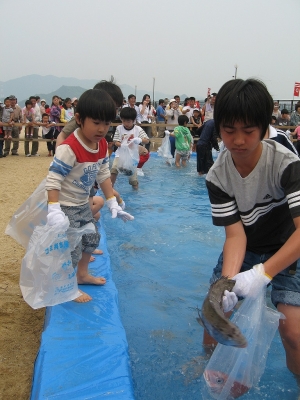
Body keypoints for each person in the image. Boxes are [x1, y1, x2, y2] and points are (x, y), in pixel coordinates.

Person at [204, 78, 300, 380]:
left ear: (263, 127)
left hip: (289, 247)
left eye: (248, 130)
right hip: (246, 246)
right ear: (219, 127)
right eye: (229, 130)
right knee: (214, 316)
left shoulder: (285, 163)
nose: (239, 141)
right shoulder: (217, 176)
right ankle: (207, 367)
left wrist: (263, 274)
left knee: (294, 333)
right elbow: (235, 234)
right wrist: (230, 281)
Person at [45, 89, 134, 303]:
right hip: (66, 206)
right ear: (79, 119)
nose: (102, 129)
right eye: (96, 123)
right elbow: (53, 179)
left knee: (92, 237)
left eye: (107, 123)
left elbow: (103, 173)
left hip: (82, 202)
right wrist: (54, 208)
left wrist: (112, 202)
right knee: (72, 249)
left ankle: (82, 275)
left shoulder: (101, 143)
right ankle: (67, 288)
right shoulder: (70, 148)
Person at [111, 107, 150, 189]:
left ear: (133, 120)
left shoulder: (137, 129)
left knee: (133, 177)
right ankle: (110, 188)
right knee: (114, 170)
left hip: (132, 157)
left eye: (128, 121)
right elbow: (115, 141)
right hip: (120, 154)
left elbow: (147, 140)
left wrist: (139, 139)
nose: (125, 123)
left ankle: (136, 191)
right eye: (123, 120)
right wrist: (122, 145)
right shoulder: (119, 128)